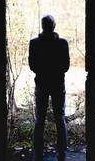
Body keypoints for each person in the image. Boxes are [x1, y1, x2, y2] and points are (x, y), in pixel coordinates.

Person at [28, 14, 70, 161]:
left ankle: (38, 155)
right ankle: (62, 155)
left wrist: (43, 71)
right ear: (54, 26)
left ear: (42, 26)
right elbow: (66, 67)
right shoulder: (62, 43)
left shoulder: (34, 43)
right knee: (60, 119)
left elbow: (32, 66)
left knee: (39, 120)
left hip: (41, 84)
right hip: (58, 84)